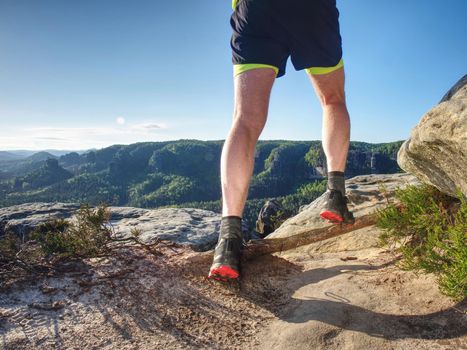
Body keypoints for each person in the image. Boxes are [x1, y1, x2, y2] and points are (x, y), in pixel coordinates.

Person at [209, 0, 354, 281]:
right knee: (333, 100)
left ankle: (228, 242)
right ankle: (335, 195)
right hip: (313, 9)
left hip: (257, 9)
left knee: (245, 120)